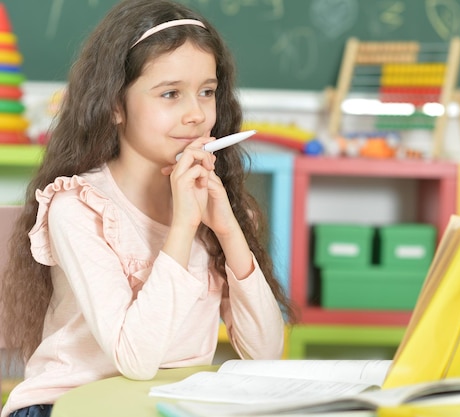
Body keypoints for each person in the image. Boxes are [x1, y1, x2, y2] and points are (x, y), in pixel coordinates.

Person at [0, 1, 296, 416]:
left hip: (162, 406)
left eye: (207, 92)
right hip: (64, 406)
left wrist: (230, 231)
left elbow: (265, 353)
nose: (196, 115)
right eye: (170, 94)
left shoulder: (215, 208)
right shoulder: (79, 207)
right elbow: (135, 360)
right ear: (115, 105)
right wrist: (182, 228)